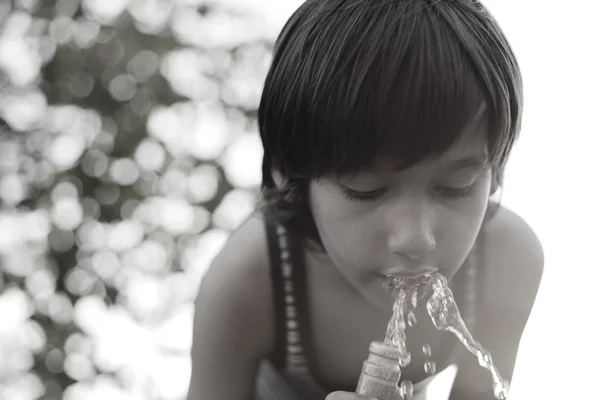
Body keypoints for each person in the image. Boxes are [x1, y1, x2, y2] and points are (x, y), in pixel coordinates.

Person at [186, 0, 544, 399]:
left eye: (457, 185)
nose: (415, 239)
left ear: (494, 171)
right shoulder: (251, 279)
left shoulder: (506, 260)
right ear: (288, 173)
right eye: (366, 189)